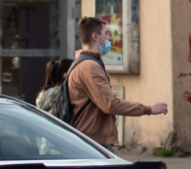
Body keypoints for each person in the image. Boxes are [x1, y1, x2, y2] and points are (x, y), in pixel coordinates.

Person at [63, 16, 166, 146]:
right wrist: (149, 109)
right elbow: (111, 104)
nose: (110, 38)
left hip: (88, 139)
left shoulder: (85, 63)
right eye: (106, 33)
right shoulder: (89, 67)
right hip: (90, 142)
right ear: (95, 37)